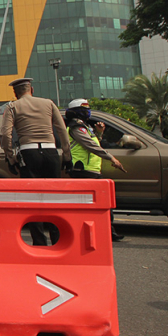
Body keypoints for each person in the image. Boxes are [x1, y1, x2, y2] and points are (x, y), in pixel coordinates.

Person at [0, 78, 72, 245]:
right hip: (50, 151)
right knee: (54, 198)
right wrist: (67, 156)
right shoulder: (48, 104)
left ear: (15, 93)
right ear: (32, 90)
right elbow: (62, 130)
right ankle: (58, 240)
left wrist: (10, 157)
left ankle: (39, 241)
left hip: (28, 153)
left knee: (32, 200)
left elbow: (5, 135)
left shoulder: (12, 106)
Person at [65, 98, 127, 242]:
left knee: (102, 203)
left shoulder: (85, 127)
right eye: (84, 110)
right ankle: (102, 233)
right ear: (77, 113)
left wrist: (99, 133)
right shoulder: (76, 127)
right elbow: (90, 145)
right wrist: (111, 158)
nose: (87, 112)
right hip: (83, 170)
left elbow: (94, 142)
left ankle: (107, 231)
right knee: (93, 205)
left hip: (91, 170)